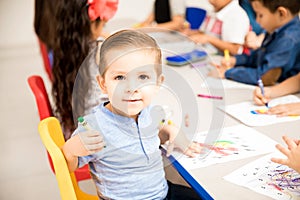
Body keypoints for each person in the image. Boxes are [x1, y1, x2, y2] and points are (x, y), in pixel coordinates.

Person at [62, 30, 202, 200]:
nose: (131, 87)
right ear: (103, 84)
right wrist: (70, 151)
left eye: (143, 76)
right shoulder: (94, 126)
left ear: (158, 83)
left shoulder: (149, 112)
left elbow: (158, 129)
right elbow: (69, 167)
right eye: (120, 77)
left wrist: (172, 132)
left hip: (161, 192)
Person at [52, 0, 118, 140]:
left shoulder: (67, 48)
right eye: (103, 23)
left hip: (77, 128)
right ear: (92, 23)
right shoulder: (100, 50)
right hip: (98, 136)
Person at [213, 0, 300, 86]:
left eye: (260, 15)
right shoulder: (276, 29)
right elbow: (259, 56)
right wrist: (236, 60)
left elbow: (266, 77)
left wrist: (228, 73)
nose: (257, 20)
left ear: (281, 13)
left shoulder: (288, 39)